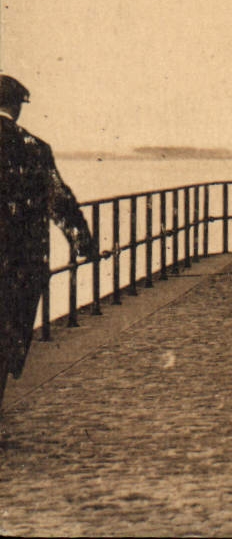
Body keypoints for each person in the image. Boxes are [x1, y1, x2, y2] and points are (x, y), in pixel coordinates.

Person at [1, 75, 95, 416]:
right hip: (23, 265)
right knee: (8, 337)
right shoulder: (35, 148)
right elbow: (61, 202)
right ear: (16, 107)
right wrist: (83, 243)